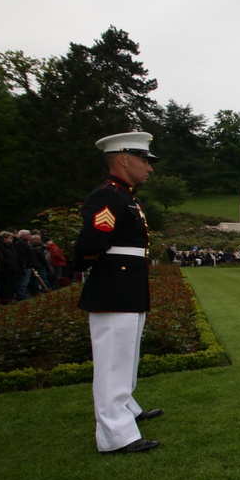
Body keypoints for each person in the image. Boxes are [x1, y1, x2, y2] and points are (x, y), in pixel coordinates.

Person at [74, 132, 164, 455]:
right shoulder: (108, 196)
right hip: (114, 287)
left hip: (127, 286)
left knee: (126, 356)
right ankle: (115, 435)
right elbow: (89, 244)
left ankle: (126, 408)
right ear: (123, 159)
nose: (149, 168)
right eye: (144, 160)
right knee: (113, 360)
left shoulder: (127, 196)